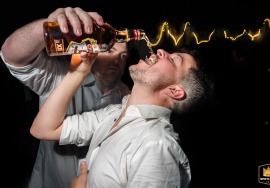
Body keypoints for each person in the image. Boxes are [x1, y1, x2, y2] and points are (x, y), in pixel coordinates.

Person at [30, 45, 214, 187]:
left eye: (174, 60)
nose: (161, 51)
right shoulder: (114, 113)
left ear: (174, 90)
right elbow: (43, 129)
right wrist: (78, 71)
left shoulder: (157, 146)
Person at [0, 7, 132, 188]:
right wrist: (48, 26)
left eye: (123, 56)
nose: (117, 59)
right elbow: (13, 57)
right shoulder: (63, 76)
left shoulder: (125, 96)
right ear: (94, 48)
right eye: (110, 51)